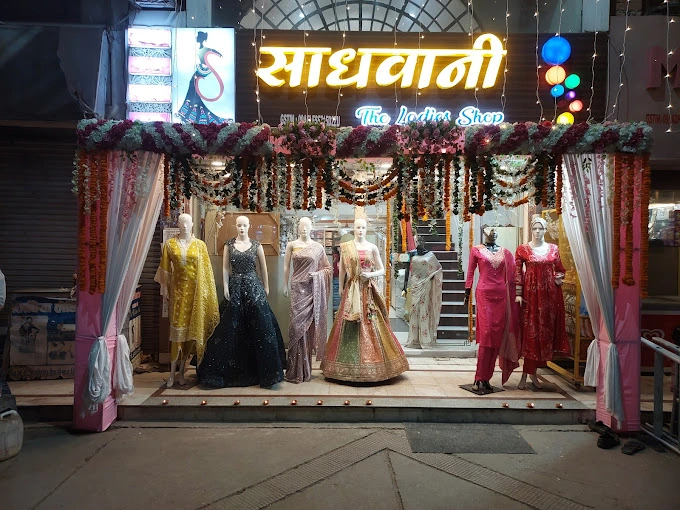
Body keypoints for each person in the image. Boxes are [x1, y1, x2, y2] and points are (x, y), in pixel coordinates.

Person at [198, 216, 286, 388]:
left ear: (249, 226)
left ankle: (265, 372)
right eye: (239, 225)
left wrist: (266, 286)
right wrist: (225, 286)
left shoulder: (256, 245)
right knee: (230, 327)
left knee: (261, 325)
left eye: (244, 225)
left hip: (253, 287)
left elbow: (263, 267)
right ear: (236, 226)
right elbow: (225, 268)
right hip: (235, 286)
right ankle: (225, 371)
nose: (241, 228)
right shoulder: (229, 245)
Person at [321, 217, 409, 382]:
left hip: (368, 290)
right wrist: (340, 287)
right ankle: (345, 365)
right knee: (348, 321)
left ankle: (377, 362)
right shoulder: (346, 247)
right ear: (354, 229)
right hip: (352, 289)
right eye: (358, 227)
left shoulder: (372, 247)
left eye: (363, 228)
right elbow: (342, 269)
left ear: (366, 229)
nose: (360, 230)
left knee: (371, 321)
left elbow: (382, 270)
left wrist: (370, 274)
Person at [155, 213, 219, 387]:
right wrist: (164, 291)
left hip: (195, 297)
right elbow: (165, 270)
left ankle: (182, 371)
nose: (184, 225)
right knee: (177, 334)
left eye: (187, 222)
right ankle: (172, 374)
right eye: (181, 222)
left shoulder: (200, 245)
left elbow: (206, 273)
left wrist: (206, 295)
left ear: (192, 224)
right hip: (177, 296)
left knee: (190, 335)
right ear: (177, 224)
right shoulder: (170, 245)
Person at [514, 217, 570, 390]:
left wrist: (556, 279)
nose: (537, 232)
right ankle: (526, 373)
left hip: (549, 296)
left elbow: (560, 269)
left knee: (543, 333)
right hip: (530, 295)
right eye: (534, 228)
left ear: (546, 230)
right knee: (530, 333)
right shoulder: (523, 249)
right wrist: (518, 293)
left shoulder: (553, 249)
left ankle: (533, 373)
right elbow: (517, 272)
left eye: (540, 228)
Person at [464, 227, 520, 391]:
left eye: (495, 231)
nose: (493, 232)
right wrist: (467, 292)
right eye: (490, 230)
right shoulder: (476, 250)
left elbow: (515, 274)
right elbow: (470, 272)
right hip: (484, 294)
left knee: (496, 336)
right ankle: (478, 377)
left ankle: (487, 378)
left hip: (501, 296)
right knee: (487, 334)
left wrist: (519, 293)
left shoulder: (506, 252)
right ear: (484, 233)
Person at [283, 217, 332, 383]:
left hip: (311, 289)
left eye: (307, 225)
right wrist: (284, 285)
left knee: (308, 329)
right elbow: (286, 266)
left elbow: (327, 268)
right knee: (295, 326)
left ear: (311, 227)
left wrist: (317, 275)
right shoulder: (291, 245)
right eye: (301, 225)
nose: (304, 228)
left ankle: (305, 369)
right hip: (297, 289)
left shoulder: (318, 247)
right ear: (297, 227)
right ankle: (294, 369)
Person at [177, 31, 229, 124]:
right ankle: (193, 111)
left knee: (194, 85)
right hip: (201, 70)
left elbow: (214, 52)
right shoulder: (198, 49)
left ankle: (190, 111)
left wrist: (218, 55)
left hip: (204, 70)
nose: (196, 39)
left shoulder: (204, 49)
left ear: (201, 39)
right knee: (194, 87)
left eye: (198, 37)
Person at [403, 233, 443, 349]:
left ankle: (424, 339)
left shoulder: (430, 255)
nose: (419, 243)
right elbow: (407, 270)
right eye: (417, 241)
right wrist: (405, 286)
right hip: (415, 283)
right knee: (414, 309)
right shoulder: (410, 253)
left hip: (426, 284)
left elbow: (438, 269)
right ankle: (414, 339)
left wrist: (430, 277)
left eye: (421, 241)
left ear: (424, 242)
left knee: (424, 308)